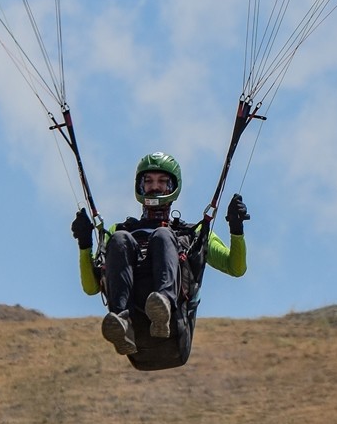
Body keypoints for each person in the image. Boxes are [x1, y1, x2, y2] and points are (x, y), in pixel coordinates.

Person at [71, 152, 248, 357]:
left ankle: (163, 308)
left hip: (172, 328)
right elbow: (91, 287)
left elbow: (236, 268)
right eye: (149, 181)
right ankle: (122, 321)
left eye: (162, 181)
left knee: (164, 235)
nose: (155, 186)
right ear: (140, 186)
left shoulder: (191, 234)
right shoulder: (119, 231)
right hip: (135, 333)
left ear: (172, 187)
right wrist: (84, 245)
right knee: (120, 239)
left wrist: (236, 229)